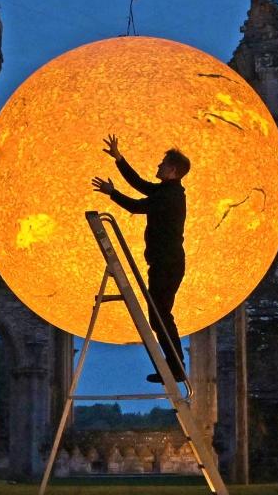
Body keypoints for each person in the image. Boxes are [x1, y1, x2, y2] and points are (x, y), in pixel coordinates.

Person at [90, 135, 191, 384]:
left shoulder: (170, 196)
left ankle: (176, 367)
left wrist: (112, 193)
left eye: (163, 163)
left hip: (167, 265)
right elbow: (140, 185)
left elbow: (136, 206)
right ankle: (175, 366)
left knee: (161, 317)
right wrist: (119, 158)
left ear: (173, 171)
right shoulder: (167, 190)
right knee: (159, 316)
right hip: (164, 264)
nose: (158, 166)